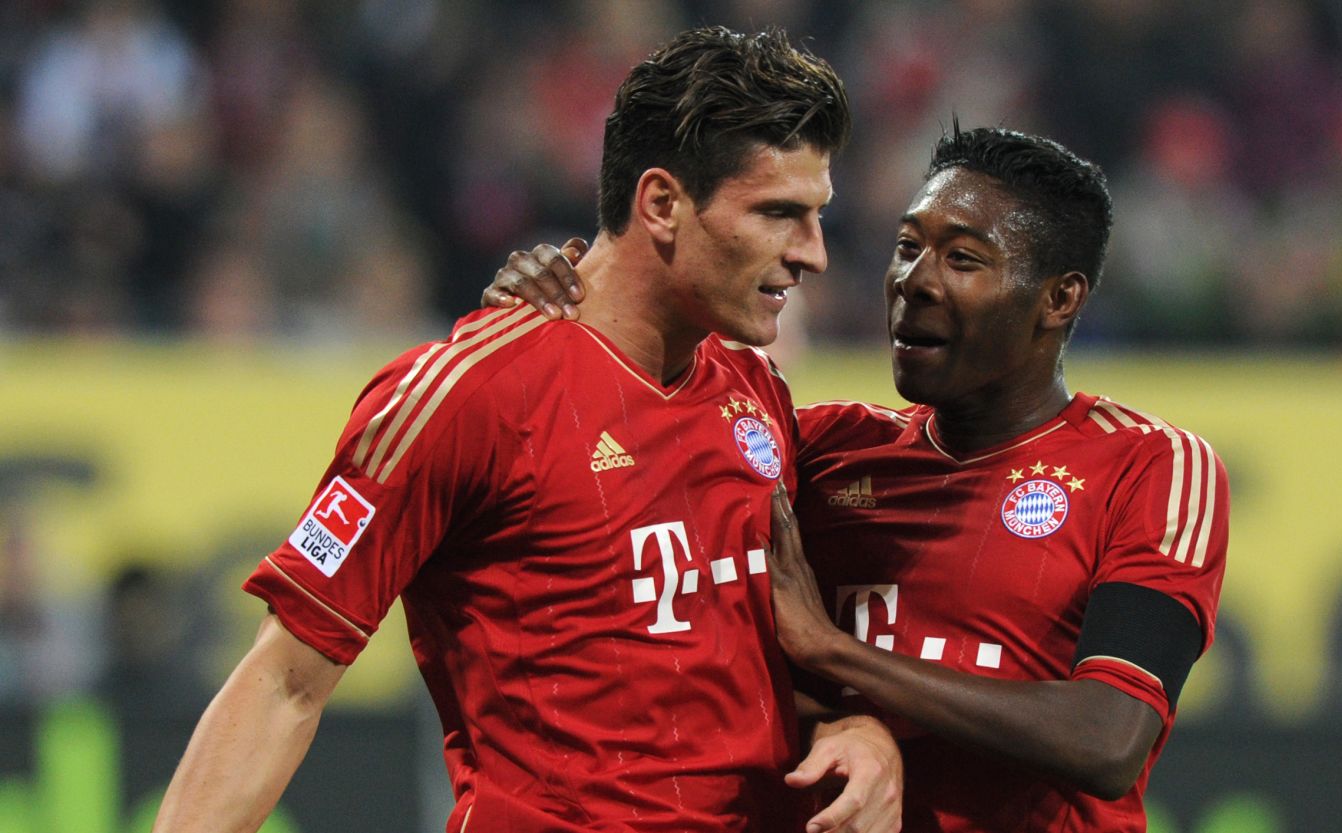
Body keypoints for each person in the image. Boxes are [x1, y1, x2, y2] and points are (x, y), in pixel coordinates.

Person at [153, 27, 904, 833]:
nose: (815, 254)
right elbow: (284, 681)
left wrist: (856, 728)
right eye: (780, 214)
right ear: (660, 205)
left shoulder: (754, 393)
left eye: (817, 215)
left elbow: (751, 662)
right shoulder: (470, 393)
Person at [487, 125, 1228, 832]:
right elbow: (637, 500)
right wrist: (566, 315)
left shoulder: (1151, 467)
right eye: (907, 247)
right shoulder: (821, 448)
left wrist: (834, 651)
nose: (915, 281)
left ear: (1059, 299)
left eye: (962, 260)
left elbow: (1107, 736)